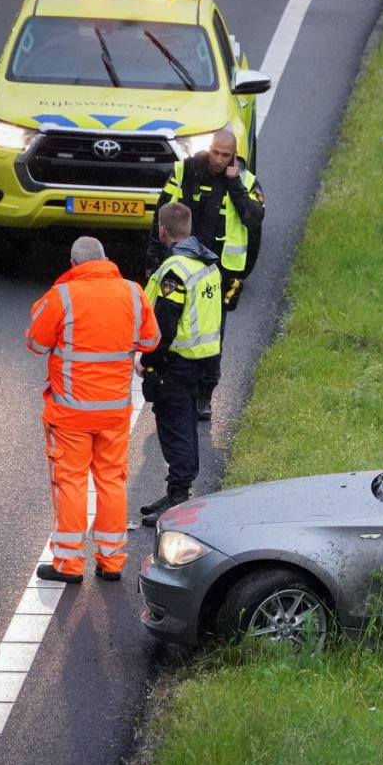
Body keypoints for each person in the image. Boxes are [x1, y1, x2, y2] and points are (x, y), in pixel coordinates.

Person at [26, 236, 160, 583]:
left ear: (73, 266)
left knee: (70, 483)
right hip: (114, 413)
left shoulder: (62, 297)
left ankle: (68, 565)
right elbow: (150, 341)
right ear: (106, 260)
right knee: (111, 483)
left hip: (70, 414)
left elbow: (35, 342)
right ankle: (111, 562)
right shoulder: (133, 293)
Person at [147, 129, 264, 421]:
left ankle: (204, 396)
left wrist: (234, 183)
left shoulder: (245, 181)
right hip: (179, 269)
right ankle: (167, 387)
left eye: (226, 156)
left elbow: (253, 219)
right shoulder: (184, 171)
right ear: (209, 149)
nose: (219, 160)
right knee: (168, 328)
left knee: (211, 339)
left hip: (218, 276)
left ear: (234, 156)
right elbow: (159, 218)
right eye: (216, 153)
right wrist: (152, 263)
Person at [138, 202, 224, 526]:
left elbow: (165, 325)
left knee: (174, 428)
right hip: (203, 360)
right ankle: (177, 489)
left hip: (177, 361)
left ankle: (178, 496)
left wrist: (148, 361)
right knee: (186, 423)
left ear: (163, 230)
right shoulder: (207, 262)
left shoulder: (175, 270)